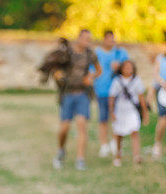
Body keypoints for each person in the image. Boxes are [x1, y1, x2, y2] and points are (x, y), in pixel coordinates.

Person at [53, 29, 101, 170]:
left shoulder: (90, 54)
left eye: (89, 39)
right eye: (86, 38)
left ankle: (80, 159)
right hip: (67, 94)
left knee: (82, 125)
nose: (88, 41)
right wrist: (58, 75)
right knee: (65, 128)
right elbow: (55, 68)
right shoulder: (67, 52)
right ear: (79, 38)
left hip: (82, 94)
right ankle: (61, 150)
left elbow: (99, 70)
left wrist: (91, 77)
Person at [94, 30, 129, 158]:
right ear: (104, 39)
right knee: (103, 118)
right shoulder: (96, 53)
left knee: (117, 118)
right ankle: (104, 145)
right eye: (108, 39)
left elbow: (129, 69)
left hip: (118, 91)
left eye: (112, 39)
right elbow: (92, 71)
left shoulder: (120, 53)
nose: (111, 41)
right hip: (102, 90)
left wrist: (119, 68)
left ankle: (116, 143)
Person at [109, 60, 149, 166]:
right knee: (119, 134)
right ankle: (118, 156)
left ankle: (136, 156)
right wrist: (111, 112)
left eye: (130, 67)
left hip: (132, 110)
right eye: (126, 67)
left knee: (134, 131)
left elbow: (141, 98)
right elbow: (111, 97)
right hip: (120, 111)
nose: (128, 69)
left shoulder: (136, 81)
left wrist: (145, 112)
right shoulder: (117, 81)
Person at [150, 51, 166, 159]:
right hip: (163, 92)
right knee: (163, 119)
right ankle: (157, 144)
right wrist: (162, 82)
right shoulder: (161, 57)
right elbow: (155, 74)